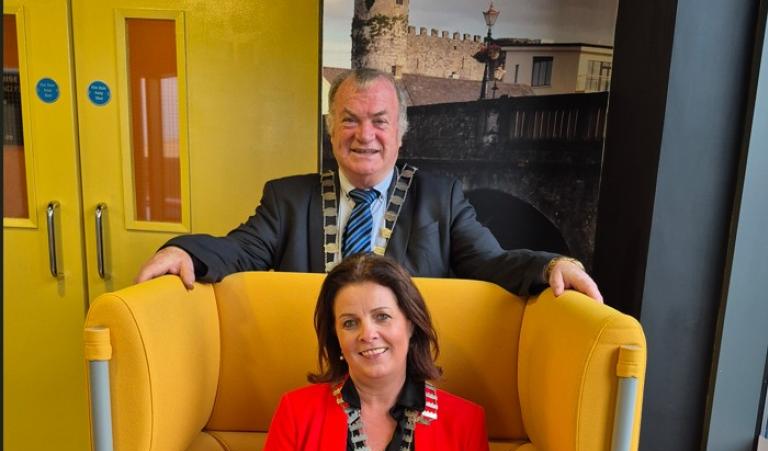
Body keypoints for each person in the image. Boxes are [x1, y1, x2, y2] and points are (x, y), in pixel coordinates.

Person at [136, 68, 602, 302]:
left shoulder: (441, 199)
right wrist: (185, 252)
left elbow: (492, 263)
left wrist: (551, 266)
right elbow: (238, 251)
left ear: (400, 130)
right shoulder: (288, 199)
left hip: (406, 384)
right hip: (310, 373)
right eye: (350, 120)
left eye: (380, 121)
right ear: (330, 128)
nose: (365, 135)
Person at [249, 253, 497, 451]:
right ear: (337, 339)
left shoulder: (465, 422)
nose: (367, 334)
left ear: (410, 324)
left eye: (382, 317)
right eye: (349, 323)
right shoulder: (296, 414)